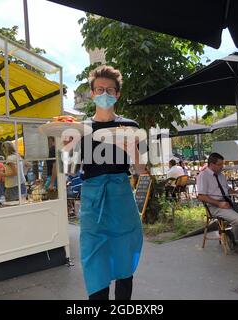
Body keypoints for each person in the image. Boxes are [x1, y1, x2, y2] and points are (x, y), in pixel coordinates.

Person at [78, 65, 145, 300]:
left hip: (120, 195)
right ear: (92, 93)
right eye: (99, 89)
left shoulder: (130, 126)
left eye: (109, 89)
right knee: (94, 258)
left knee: (124, 254)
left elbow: (142, 171)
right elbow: (72, 167)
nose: (104, 93)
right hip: (92, 199)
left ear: (117, 94)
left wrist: (132, 150)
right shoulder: (81, 128)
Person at [197, 152, 238, 252]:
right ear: (212, 165)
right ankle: (237, 240)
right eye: (220, 164)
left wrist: (235, 192)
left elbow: (226, 188)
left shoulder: (220, 175)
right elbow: (201, 196)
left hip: (228, 202)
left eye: (223, 164)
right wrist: (219, 204)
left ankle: (232, 234)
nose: (222, 167)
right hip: (214, 206)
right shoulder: (203, 176)